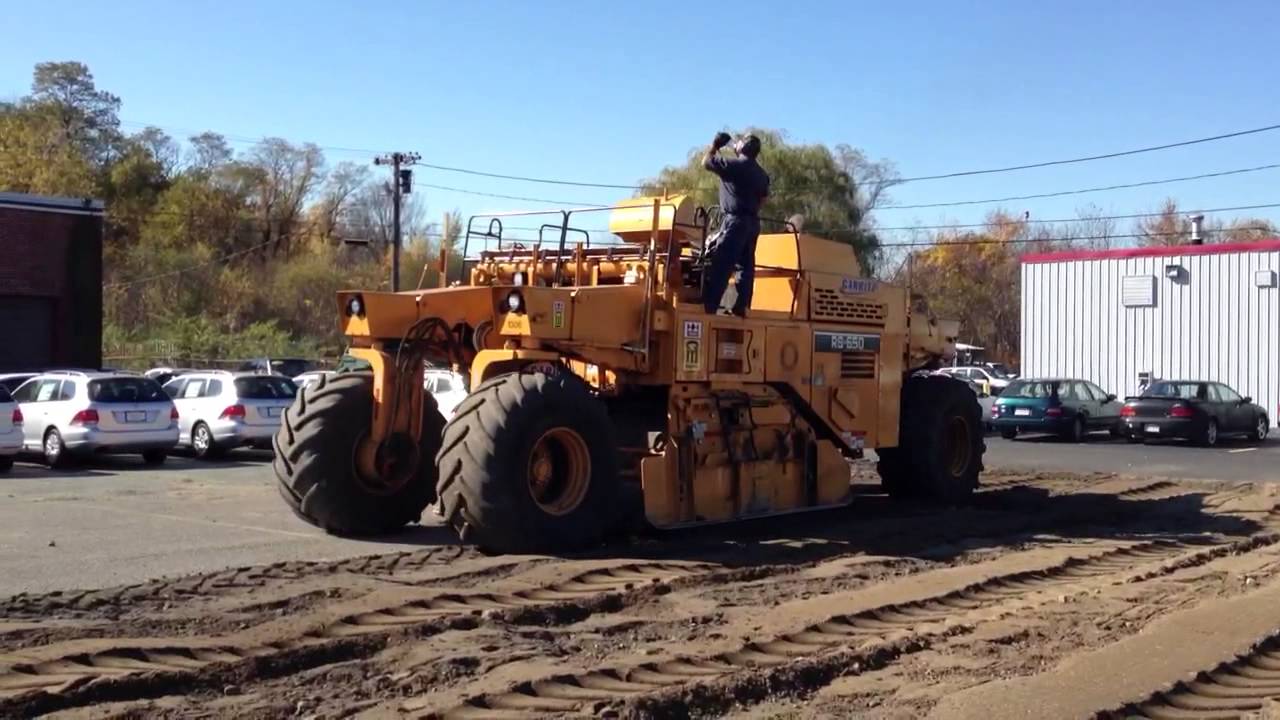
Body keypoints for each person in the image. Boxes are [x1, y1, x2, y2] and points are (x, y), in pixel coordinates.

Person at [701, 131, 770, 316]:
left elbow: (706, 162)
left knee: (722, 264)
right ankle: (742, 306)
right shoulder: (762, 174)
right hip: (752, 222)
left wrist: (715, 145)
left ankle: (710, 306)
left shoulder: (733, 165)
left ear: (743, 148)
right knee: (746, 267)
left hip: (734, 222)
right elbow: (764, 199)